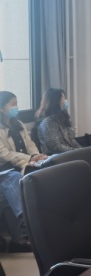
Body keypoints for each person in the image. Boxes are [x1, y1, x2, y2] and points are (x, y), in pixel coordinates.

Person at [0, 91, 44, 250]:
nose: (16, 107)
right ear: (2, 107)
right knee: (14, 178)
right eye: (12, 104)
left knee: (48, 169)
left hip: (24, 165)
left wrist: (36, 156)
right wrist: (28, 159)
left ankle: (20, 238)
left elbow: (30, 144)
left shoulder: (18, 124)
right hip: (4, 170)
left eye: (16, 103)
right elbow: (4, 154)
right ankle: (28, 219)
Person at [34, 88, 82, 154]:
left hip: (69, 153)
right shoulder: (48, 122)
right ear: (56, 102)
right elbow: (56, 147)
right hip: (58, 156)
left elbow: (71, 140)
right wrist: (75, 151)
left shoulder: (62, 118)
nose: (66, 101)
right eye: (63, 99)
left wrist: (81, 150)